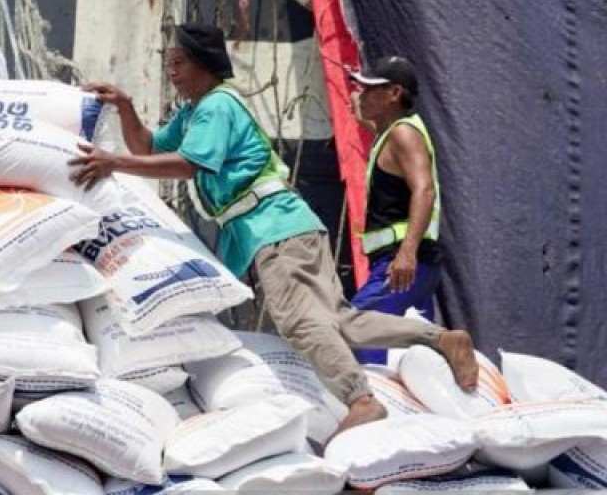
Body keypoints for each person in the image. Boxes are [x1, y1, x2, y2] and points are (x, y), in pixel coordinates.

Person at [68, 23, 478, 436]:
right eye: (168, 64)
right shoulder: (195, 111)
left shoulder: (217, 107)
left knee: (301, 323)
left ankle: (361, 400)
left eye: (179, 63)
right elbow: (150, 148)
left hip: (274, 229)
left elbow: (187, 165)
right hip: (290, 224)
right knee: (342, 322)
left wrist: (112, 162)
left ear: (204, 65)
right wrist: (124, 107)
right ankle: (440, 339)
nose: (171, 72)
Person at [349, 56, 444, 364]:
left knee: (359, 326)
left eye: (371, 89)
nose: (362, 95)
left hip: (403, 262)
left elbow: (424, 189)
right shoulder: (390, 132)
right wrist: (355, 91)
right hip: (410, 263)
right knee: (414, 349)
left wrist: (407, 252)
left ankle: (374, 400)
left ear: (394, 94)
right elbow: (361, 110)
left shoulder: (404, 135)